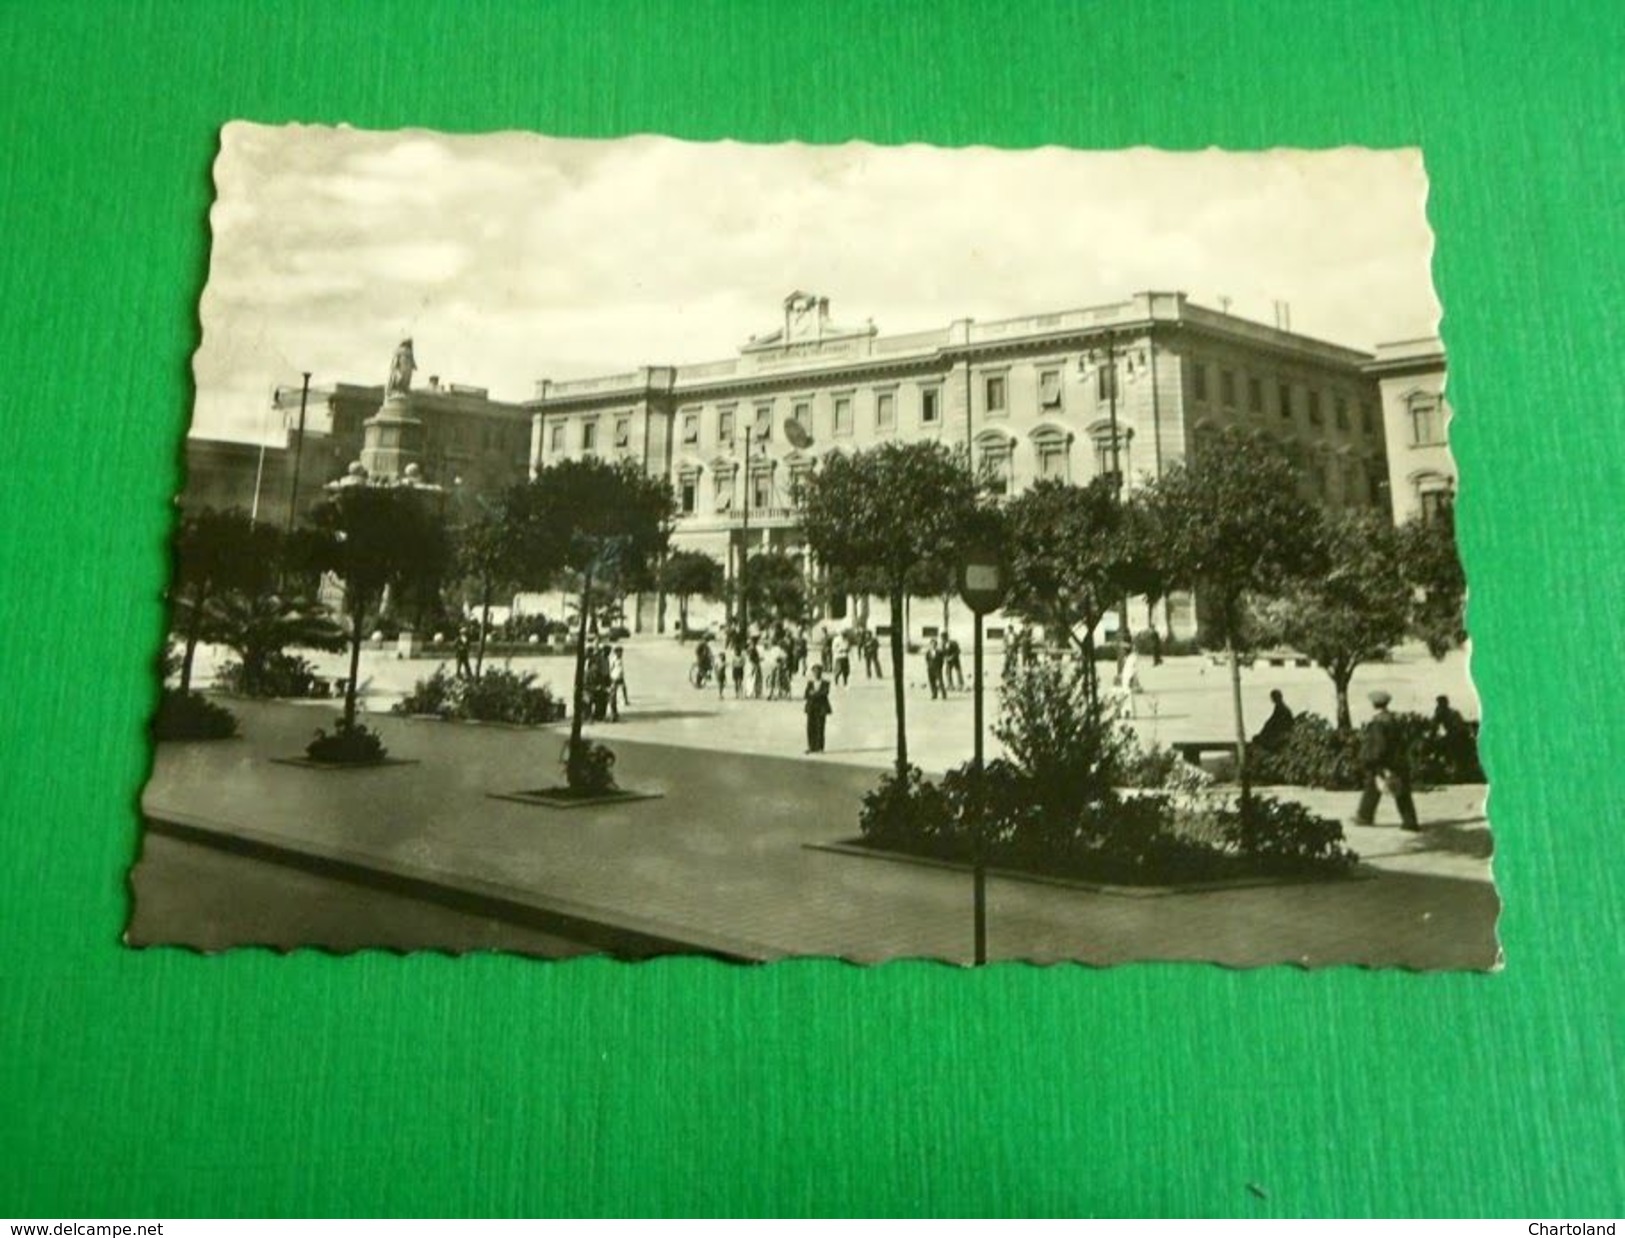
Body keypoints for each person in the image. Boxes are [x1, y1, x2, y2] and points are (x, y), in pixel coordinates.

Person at [1352, 690, 1420, 831]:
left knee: (1372, 786)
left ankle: (1364, 816)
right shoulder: (1393, 719)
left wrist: (1372, 761)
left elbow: (1379, 746)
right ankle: (1410, 821)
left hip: (1385, 762)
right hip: (1399, 761)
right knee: (1401, 791)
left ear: (1373, 705)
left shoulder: (1378, 723)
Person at [804, 664, 833, 753]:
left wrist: (814, 693)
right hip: (811, 707)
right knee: (810, 727)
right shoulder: (810, 683)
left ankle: (820, 747)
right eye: (815, 672)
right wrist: (815, 693)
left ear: (821, 673)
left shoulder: (826, 683)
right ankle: (811, 747)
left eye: (818, 672)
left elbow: (825, 693)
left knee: (820, 727)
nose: (816, 674)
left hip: (821, 708)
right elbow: (806, 695)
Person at [925, 635, 945, 700]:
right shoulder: (928, 652)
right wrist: (929, 666)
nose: (932, 646)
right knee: (932, 682)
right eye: (931, 644)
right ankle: (934, 694)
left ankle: (943, 694)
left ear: (936, 645)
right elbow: (927, 660)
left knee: (940, 681)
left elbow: (942, 661)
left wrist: (940, 667)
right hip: (930, 669)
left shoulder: (939, 652)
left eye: (934, 644)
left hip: (937, 669)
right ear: (930, 645)